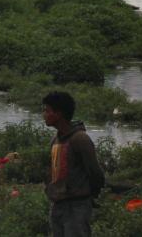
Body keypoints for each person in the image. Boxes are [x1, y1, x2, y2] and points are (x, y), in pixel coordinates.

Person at [43, 91, 104, 237]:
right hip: (58, 205)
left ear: (58, 114)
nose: (44, 114)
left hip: (77, 206)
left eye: (47, 110)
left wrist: (89, 197)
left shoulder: (80, 139)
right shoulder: (55, 140)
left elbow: (95, 173)